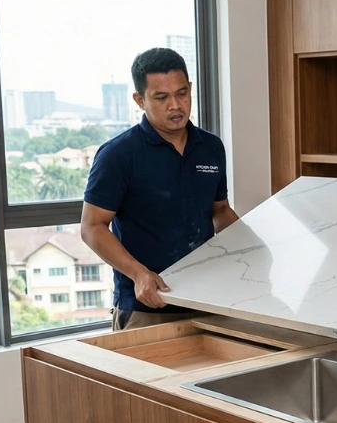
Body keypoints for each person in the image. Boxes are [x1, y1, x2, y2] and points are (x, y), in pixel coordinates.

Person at [81, 47, 239, 331]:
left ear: (190, 89)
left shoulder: (211, 147)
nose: (175, 105)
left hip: (208, 301)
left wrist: (252, 247)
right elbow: (92, 227)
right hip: (147, 306)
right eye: (161, 97)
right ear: (140, 100)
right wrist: (139, 273)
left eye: (181, 93)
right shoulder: (118, 155)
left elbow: (220, 211)